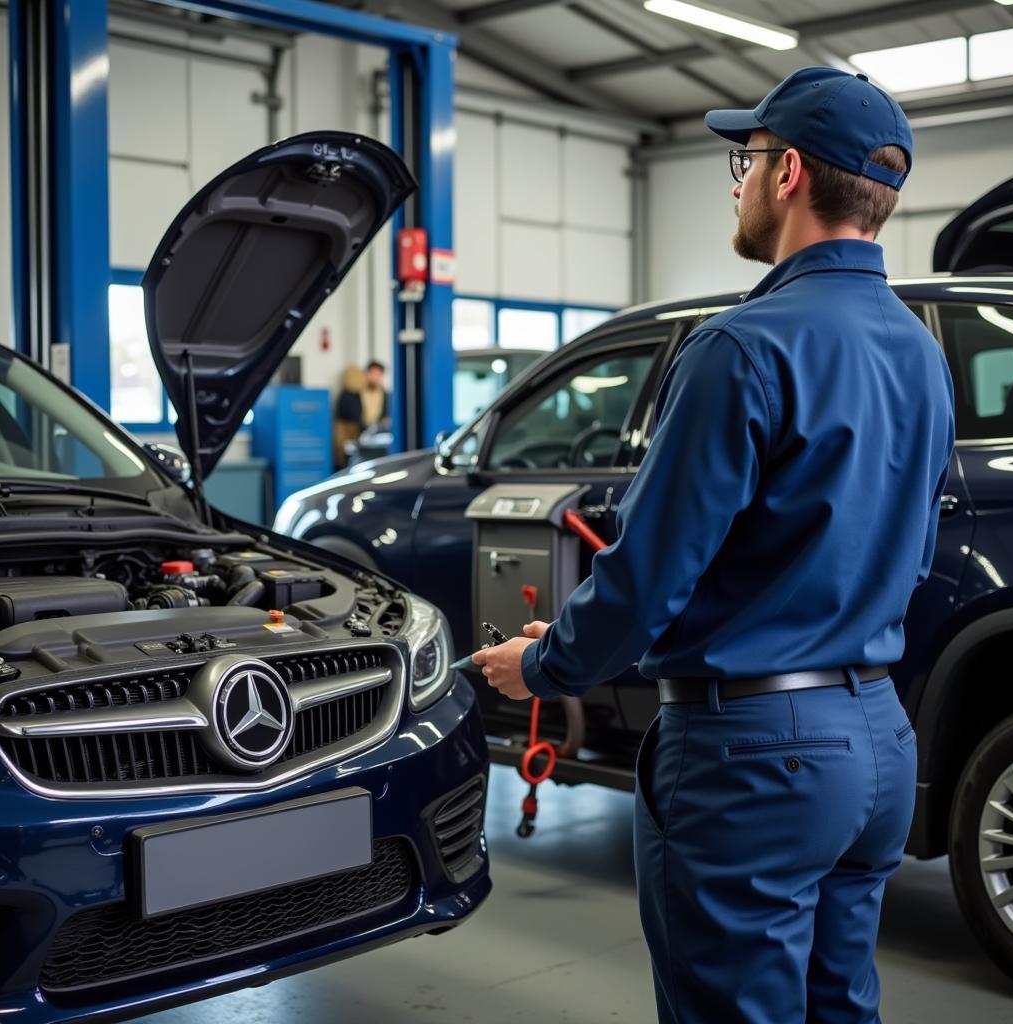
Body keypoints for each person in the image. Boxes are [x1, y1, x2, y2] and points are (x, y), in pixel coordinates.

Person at [473, 67, 955, 1024]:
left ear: (789, 175)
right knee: (837, 1009)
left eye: (747, 156)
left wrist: (547, 665)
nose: (736, 178)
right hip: (878, 744)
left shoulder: (744, 347)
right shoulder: (922, 352)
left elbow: (650, 573)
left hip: (754, 760)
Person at [333, 361, 389, 470]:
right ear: (366, 374)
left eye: (378, 374)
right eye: (373, 374)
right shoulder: (352, 393)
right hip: (355, 439)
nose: (375, 377)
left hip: (376, 442)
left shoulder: (385, 394)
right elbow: (346, 415)